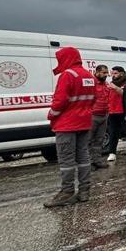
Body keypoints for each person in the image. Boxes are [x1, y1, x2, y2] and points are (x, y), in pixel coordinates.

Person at [45, 47, 96, 207]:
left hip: (67, 124)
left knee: (66, 160)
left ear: (66, 58)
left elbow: (60, 101)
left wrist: (51, 115)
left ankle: (67, 192)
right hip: (84, 122)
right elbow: (93, 99)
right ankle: (84, 191)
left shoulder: (67, 75)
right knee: (83, 156)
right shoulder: (89, 76)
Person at [88, 65, 110, 170]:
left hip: (103, 115)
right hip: (92, 115)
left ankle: (97, 160)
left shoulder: (106, 84)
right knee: (89, 140)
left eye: (107, 73)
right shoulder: (91, 83)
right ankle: (89, 162)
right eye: (104, 73)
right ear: (97, 72)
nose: (106, 75)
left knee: (99, 140)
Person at [106, 66, 126, 162]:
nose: (113, 75)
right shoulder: (111, 83)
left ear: (121, 73)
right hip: (112, 111)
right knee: (113, 133)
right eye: (112, 73)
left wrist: (115, 87)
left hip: (124, 111)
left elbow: (125, 93)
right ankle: (112, 153)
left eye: (116, 73)